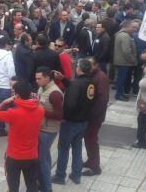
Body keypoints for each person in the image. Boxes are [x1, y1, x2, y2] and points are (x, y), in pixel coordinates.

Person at [0, 79, 44, 192]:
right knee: (32, 186)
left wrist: (4, 102)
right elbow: (36, 106)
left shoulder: (12, 113)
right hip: (32, 156)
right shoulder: (40, 111)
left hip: (14, 157)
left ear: (16, 95)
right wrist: (36, 100)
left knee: (13, 187)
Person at [53, 58, 96, 186]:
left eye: (76, 66)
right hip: (83, 121)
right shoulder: (91, 83)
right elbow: (75, 87)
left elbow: (70, 104)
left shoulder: (77, 84)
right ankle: (76, 175)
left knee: (63, 148)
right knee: (77, 148)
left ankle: (60, 175)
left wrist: (63, 117)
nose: (75, 68)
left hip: (71, 122)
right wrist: (63, 79)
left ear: (80, 69)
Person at [36, 66, 63, 192]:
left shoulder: (55, 93)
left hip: (48, 131)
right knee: (45, 157)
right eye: (36, 78)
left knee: (41, 161)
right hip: (42, 128)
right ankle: (43, 183)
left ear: (47, 78)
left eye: (39, 78)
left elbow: (59, 115)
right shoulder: (43, 88)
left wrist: (41, 111)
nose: (37, 81)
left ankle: (46, 188)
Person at [82, 59, 110, 177]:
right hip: (90, 115)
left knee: (92, 140)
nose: (88, 67)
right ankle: (90, 161)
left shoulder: (101, 77)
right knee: (88, 139)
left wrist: (93, 115)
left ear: (96, 65)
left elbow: (102, 100)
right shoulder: (92, 75)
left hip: (94, 117)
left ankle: (95, 167)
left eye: (91, 65)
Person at [0, 39, 15, 136]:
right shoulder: (8, 56)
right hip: (5, 85)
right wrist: (12, 83)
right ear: (8, 45)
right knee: (3, 107)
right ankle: (1, 129)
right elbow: (11, 72)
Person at [113, 20, 138, 101]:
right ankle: (119, 94)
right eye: (132, 27)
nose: (133, 29)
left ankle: (120, 93)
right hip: (124, 61)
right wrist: (132, 59)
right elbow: (126, 51)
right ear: (126, 27)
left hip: (121, 60)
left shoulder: (120, 34)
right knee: (121, 78)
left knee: (121, 78)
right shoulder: (125, 36)